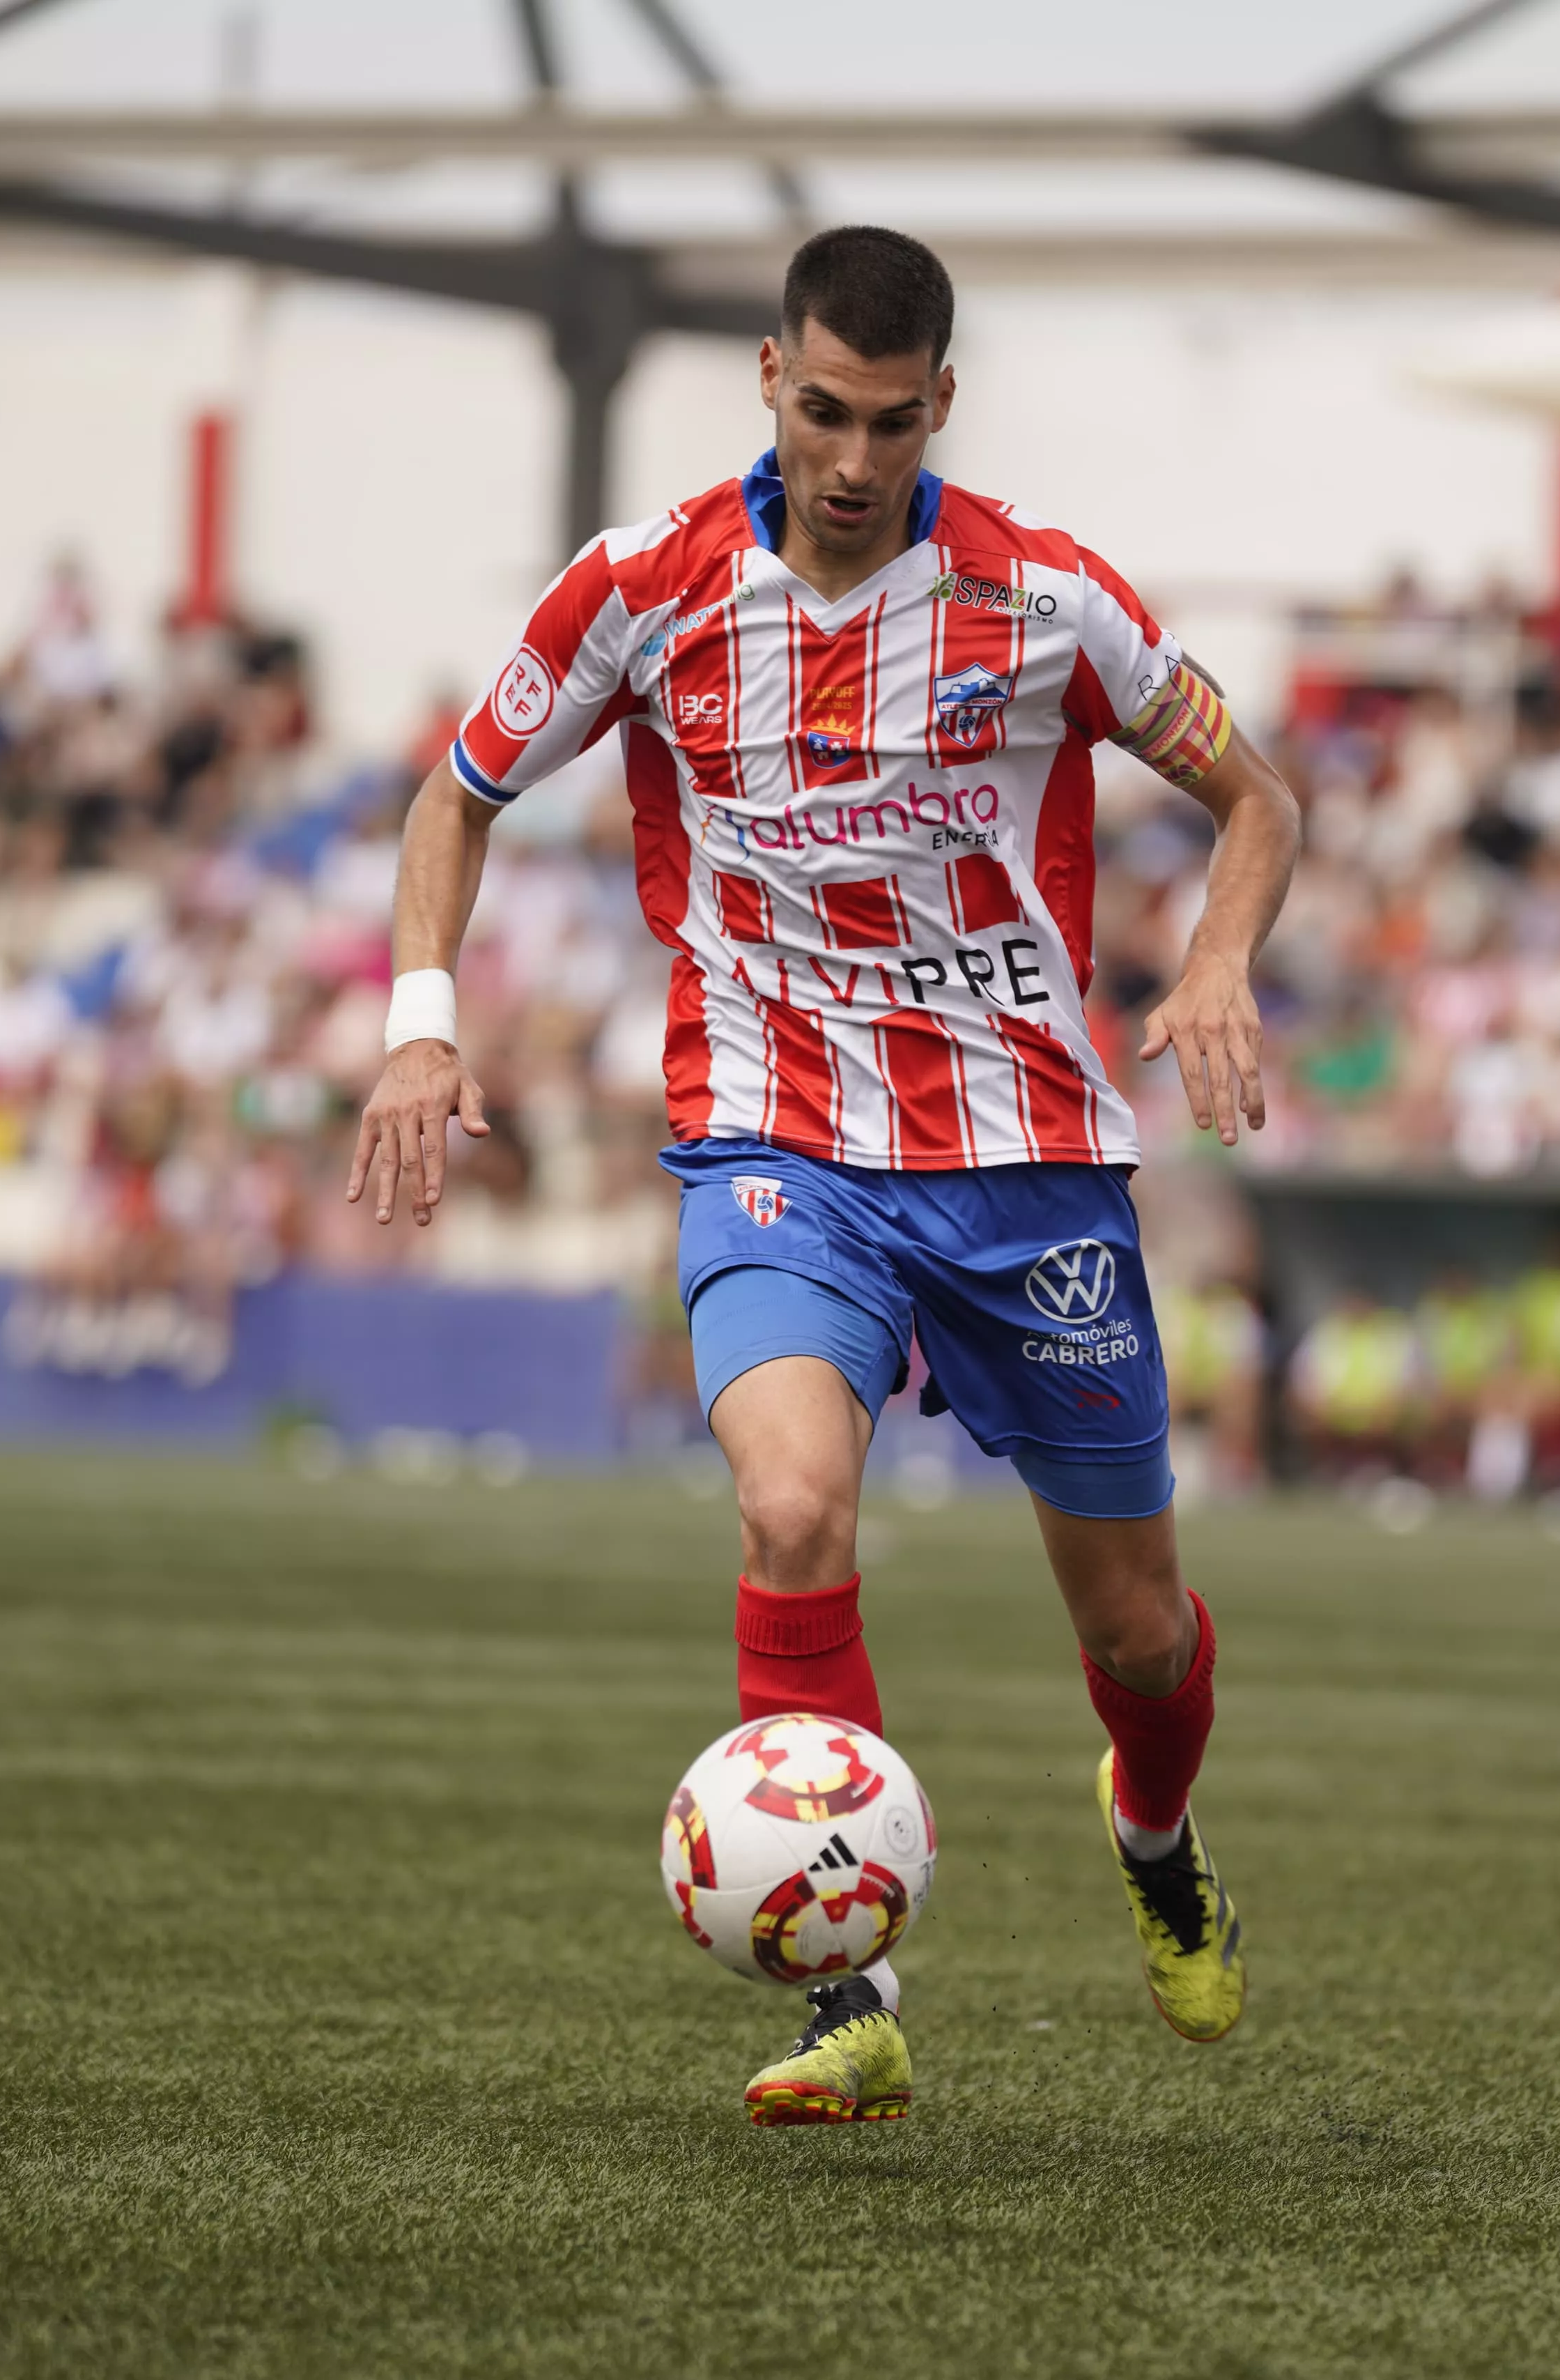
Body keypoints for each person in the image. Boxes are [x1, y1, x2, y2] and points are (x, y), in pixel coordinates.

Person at [346, 227, 1302, 2127]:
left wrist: (1213, 960)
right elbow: (458, 785)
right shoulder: (646, 585)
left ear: (939, 403)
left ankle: (1159, 1818)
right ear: (766, 383)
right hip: (779, 1140)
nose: (852, 458)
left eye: (888, 419)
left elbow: (1260, 794)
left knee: (1136, 1628)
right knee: (791, 1503)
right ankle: (849, 1985)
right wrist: (420, 1016)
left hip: (1029, 1165)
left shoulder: (1046, 594)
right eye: (819, 410)